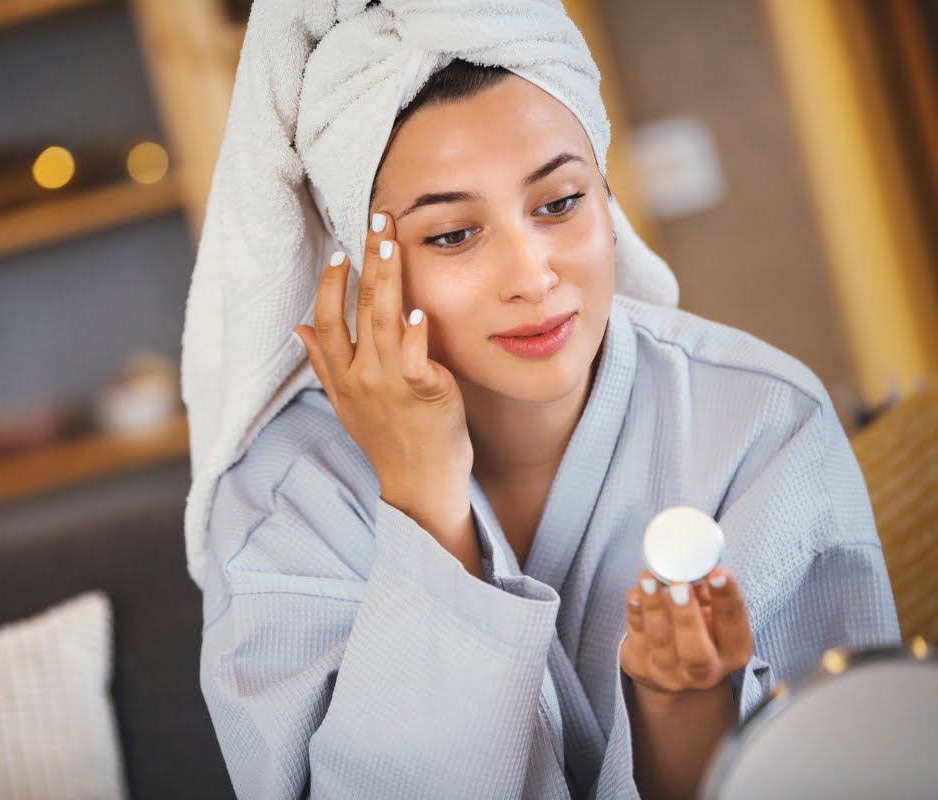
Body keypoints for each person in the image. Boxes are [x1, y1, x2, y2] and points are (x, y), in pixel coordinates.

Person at [182, 4, 900, 799]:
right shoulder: (286, 500)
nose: (533, 275)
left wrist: (683, 705)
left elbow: (855, 767)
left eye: (559, 203)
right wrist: (422, 501)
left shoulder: (762, 424)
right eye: (453, 234)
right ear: (362, 268)